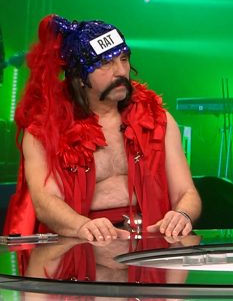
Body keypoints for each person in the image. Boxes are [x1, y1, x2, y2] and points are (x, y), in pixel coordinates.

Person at [2, 15, 201, 241]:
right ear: (80, 77)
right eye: (106, 63)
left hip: (150, 244)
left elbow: (186, 192)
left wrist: (182, 214)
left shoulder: (158, 120)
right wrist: (83, 227)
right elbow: (45, 202)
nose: (121, 71)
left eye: (124, 59)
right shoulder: (44, 132)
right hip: (79, 246)